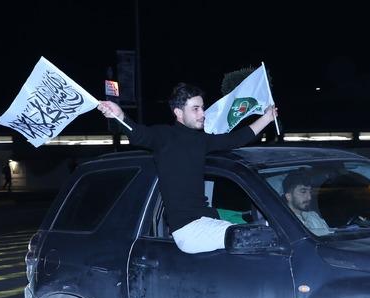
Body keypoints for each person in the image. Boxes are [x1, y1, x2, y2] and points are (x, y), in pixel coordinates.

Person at [98, 83, 277, 254]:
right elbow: (138, 134)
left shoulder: (201, 140)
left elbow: (236, 139)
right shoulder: (165, 137)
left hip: (205, 217)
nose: (202, 114)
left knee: (257, 222)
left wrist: (267, 117)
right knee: (252, 236)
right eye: (195, 109)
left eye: (202, 108)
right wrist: (120, 116)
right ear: (179, 113)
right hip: (188, 229)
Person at [282, 170, 332, 236]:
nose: (309, 197)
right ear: (289, 196)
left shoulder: (313, 216)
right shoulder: (284, 221)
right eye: (303, 192)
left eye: (310, 192)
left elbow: (331, 235)